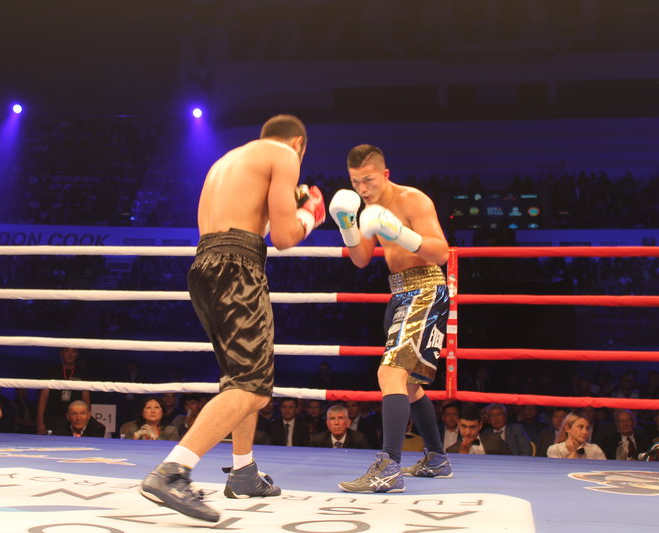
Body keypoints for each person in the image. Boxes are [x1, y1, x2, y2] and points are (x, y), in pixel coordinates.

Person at [140, 114, 325, 522]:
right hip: (237, 266)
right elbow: (284, 238)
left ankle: (243, 471)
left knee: (240, 377)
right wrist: (310, 214)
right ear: (299, 144)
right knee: (254, 387)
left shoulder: (229, 160)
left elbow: (251, 221)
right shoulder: (284, 155)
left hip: (205, 264)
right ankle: (172, 472)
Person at [332, 144, 451, 494]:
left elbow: (441, 252)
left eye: (368, 180)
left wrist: (400, 232)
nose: (362, 189)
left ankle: (389, 467)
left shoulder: (413, 200)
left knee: (390, 373)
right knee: (409, 385)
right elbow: (361, 259)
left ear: (385, 174)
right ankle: (436, 459)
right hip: (398, 293)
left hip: (425, 288)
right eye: (355, 182)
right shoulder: (366, 208)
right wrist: (347, 224)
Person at [35, 347, 90, 435]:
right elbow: (43, 398)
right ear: (61, 353)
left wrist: (87, 423)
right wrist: (40, 423)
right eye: (67, 351)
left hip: (75, 419)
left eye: (73, 351)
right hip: (54, 417)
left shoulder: (82, 374)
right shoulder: (52, 372)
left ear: (77, 354)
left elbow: (86, 400)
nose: (70, 354)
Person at [446, 404, 512, 455]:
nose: (468, 432)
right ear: (458, 424)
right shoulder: (451, 451)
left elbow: (511, 462)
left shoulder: (495, 441)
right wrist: (462, 454)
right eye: (464, 426)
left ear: (480, 425)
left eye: (472, 427)